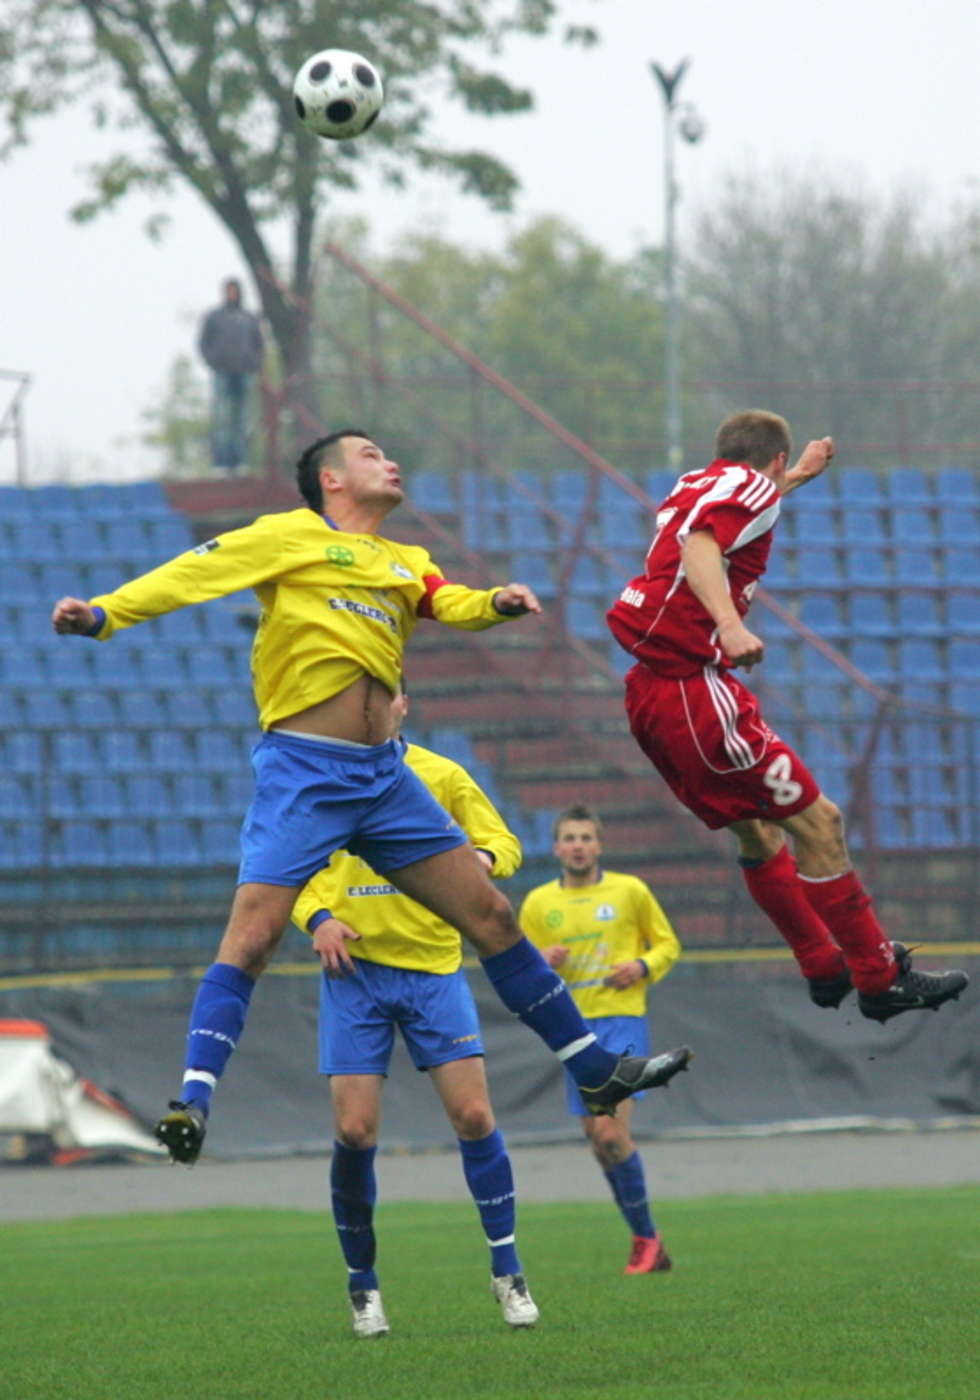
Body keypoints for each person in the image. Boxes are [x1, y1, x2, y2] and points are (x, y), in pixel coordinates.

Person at [51, 428, 693, 1169]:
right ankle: (194, 1098)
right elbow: (192, 576)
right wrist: (103, 616)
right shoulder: (286, 536)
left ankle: (592, 1067)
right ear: (331, 480)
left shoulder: (403, 561)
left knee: (488, 911)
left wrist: (495, 603)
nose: (390, 461)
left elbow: (446, 600)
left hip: (384, 776)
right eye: (370, 455)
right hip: (305, 770)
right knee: (254, 935)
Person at [606, 409, 969, 1023]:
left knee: (756, 829)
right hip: (695, 687)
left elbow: (715, 518)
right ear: (771, 459)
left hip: (649, 692)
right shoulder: (747, 490)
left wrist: (797, 475)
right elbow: (702, 545)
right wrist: (728, 622)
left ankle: (822, 965)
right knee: (821, 824)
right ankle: (879, 978)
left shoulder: (698, 480)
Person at [294, 685, 537, 1337]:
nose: (372, 707)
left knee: (475, 1115)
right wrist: (318, 917)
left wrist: (479, 862)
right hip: (356, 977)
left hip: (433, 970)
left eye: (384, 696)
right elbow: (289, 867)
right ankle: (363, 1287)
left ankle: (508, 1273)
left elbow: (502, 843)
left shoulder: (441, 774)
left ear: (402, 706)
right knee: (354, 1133)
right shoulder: (323, 777)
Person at [520, 804, 681, 1276]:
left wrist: (641, 967)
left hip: (621, 1021)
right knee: (598, 1140)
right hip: (571, 1030)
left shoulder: (630, 891)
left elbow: (668, 944)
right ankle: (649, 1241)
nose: (578, 846)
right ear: (555, 848)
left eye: (586, 838)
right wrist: (539, 961)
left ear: (600, 845)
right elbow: (518, 968)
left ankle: (647, 1240)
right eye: (569, 838)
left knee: (611, 1132)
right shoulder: (536, 905)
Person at [197, 276, 264, 474]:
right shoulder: (215, 317)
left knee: (242, 420)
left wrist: (253, 364)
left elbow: (259, 345)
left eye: (235, 290)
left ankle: (240, 461)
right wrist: (214, 362)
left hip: (243, 374)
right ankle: (221, 463)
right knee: (222, 418)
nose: (232, 294)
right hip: (222, 373)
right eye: (229, 290)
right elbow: (203, 343)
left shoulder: (248, 318)